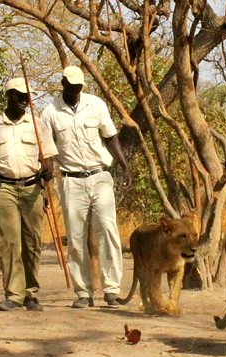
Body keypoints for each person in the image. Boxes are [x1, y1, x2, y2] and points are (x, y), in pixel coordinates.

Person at [41, 65, 132, 309]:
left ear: (82, 86)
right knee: (76, 237)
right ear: (63, 84)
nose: (74, 91)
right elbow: (47, 148)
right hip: (70, 180)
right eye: (70, 86)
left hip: (99, 175)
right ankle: (83, 292)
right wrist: (46, 172)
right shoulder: (50, 112)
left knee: (108, 230)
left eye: (78, 87)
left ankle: (111, 290)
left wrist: (125, 166)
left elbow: (110, 137)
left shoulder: (96, 105)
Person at [0, 77, 58, 312]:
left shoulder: (38, 125)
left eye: (26, 97)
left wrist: (48, 171)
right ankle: (14, 295)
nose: (23, 101)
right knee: (9, 243)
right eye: (18, 96)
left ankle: (31, 294)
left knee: (32, 242)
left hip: (32, 187)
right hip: (4, 188)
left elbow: (48, 158)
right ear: (8, 96)